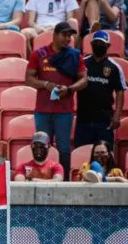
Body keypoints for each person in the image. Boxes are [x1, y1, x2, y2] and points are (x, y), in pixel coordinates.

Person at [25, 21, 88, 173]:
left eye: (70, 36)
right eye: (64, 35)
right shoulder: (39, 54)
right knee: (41, 146)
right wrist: (45, 84)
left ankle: (63, 180)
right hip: (42, 110)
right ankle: (43, 176)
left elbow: (84, 79)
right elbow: (28, 79)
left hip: (64, 111)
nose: (68, 39)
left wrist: (70, 88)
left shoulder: (75, 55)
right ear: (54, 35)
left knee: (64, 149)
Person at [76, 31, 126, 147]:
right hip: (83, 119)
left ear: (108, 46)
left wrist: (117, 115)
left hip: (104, 120)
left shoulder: (114, 67)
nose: (98, 45)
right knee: (81, 153)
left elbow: (120, 90)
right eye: (96, 43)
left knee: (105, 154)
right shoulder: (83, 63)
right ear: (91, 44)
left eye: (102, 43)